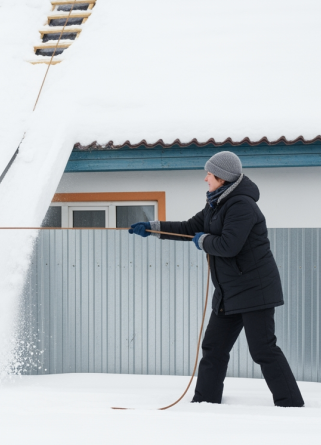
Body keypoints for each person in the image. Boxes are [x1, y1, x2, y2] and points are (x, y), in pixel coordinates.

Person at [127, 151, 304, 407]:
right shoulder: (216, 204)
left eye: (209, 173)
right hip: (228, 292)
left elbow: (229, 245)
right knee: (214, 348)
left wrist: (203, 241)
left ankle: (291, 405)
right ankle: (205, 403)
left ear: (222, 177)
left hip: (256, 291)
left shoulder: (242, 205)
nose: (205, 178)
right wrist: (153, 228)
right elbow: (190, 228)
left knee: (263, 350)